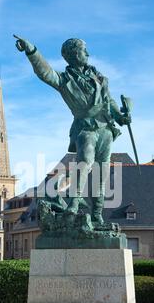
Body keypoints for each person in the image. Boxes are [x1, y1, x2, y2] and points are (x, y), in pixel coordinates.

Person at [15, 37, 131, 225]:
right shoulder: (64, 80)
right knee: (85, 162)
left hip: (106, 130)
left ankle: (97, 214)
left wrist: (121, 117)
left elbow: (108, 102)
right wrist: (32, 51)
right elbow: (45, 72)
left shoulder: (99, 78)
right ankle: (74, 204)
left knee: (101, 172)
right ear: (73, 54)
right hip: (86, 128)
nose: (88, 54)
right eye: (84, 50)